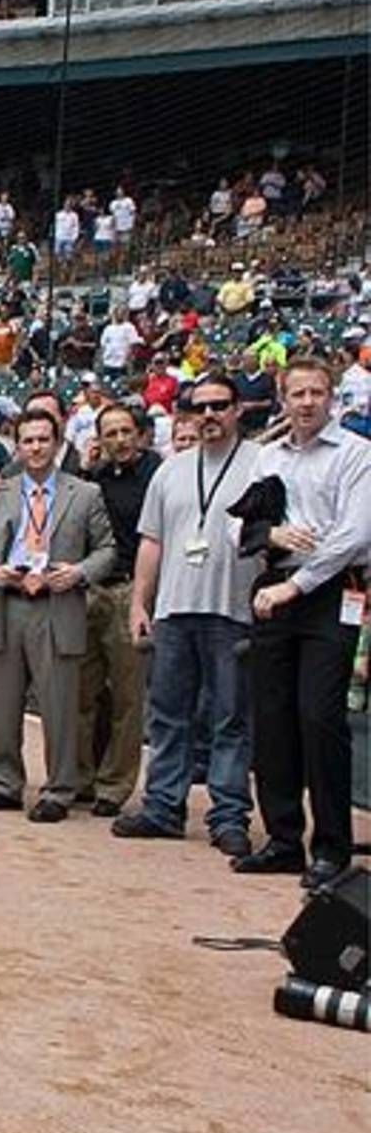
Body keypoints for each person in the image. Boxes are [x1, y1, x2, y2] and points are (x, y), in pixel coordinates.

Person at [112, 372, 259, 853]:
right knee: (167, 715)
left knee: (230, 718)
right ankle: (162, 807)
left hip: (233, 609)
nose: (210, 415)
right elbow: (150, 541)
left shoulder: (262, 463)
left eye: (220, 405)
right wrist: (140, 601)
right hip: (174, 609)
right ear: (189, 415)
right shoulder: (171, 471)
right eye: (201, 407)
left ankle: (229, 814)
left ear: (238, 409)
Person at [237, 357, 368, 889]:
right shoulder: (266, 456)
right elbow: (238, 529)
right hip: (272, 589)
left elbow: (354, 536)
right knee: (271, 719)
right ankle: (283, 839)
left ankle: (331, 848)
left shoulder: (357, 455)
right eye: (298, 393)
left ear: (332, 396)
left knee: (320, 717)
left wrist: (296, 585)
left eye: (317, 392)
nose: (308, 402)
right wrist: (270, 538)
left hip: (329, 592)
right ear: (282, 397)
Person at [0, 409, 118, 820]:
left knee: (60, 704)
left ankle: (60, 790)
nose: (35, 448)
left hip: (57, 605)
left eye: (43, 440)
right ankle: (4, 783)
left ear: (58, 442)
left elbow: (107, 551)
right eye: (27, 440)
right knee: (3, 704)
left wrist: (80, 572)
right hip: (8, 603)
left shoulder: (85, 494)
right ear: (17, 444)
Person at [75, 401, 159, 816]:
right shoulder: (94, 479)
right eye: (111, 434)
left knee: (127, 697)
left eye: (126, 431)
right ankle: (80, 778)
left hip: (132, 591)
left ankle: (114, 786)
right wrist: (88, 469)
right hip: (91, 589)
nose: (120, 440)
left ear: (139, 434)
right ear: (100, 440)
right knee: (81, 692)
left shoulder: (157, 473)